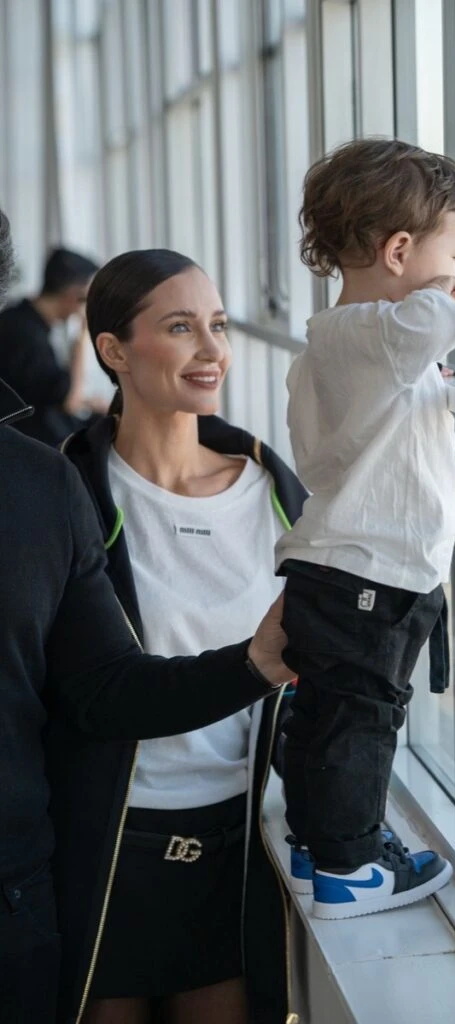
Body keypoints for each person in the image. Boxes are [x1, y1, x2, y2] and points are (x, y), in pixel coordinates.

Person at [0, 208, 294, 1024]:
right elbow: (89, 689)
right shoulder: (64, 489)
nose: (212, 350)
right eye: (180, 327)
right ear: (113, 352)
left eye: (219, 326)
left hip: (237, 844)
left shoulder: (276, 493)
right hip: (99, 844)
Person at [276, 138, 455, 920]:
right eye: (453, 253)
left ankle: (318, 841)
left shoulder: (345, 341)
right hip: (372, 569)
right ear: (398, 250)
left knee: (332, 711)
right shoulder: (380, 334)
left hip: (349, 563)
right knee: (360, 718)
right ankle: (350, 868)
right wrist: (452, 290)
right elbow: (439, 313)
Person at [0, 246, 104, 446]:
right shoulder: (26, 333)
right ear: (74, 294)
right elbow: (69, 401)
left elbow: (42, 390)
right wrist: (82, 337)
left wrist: (89, 403)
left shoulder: (22, 321)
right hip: (26, 442)